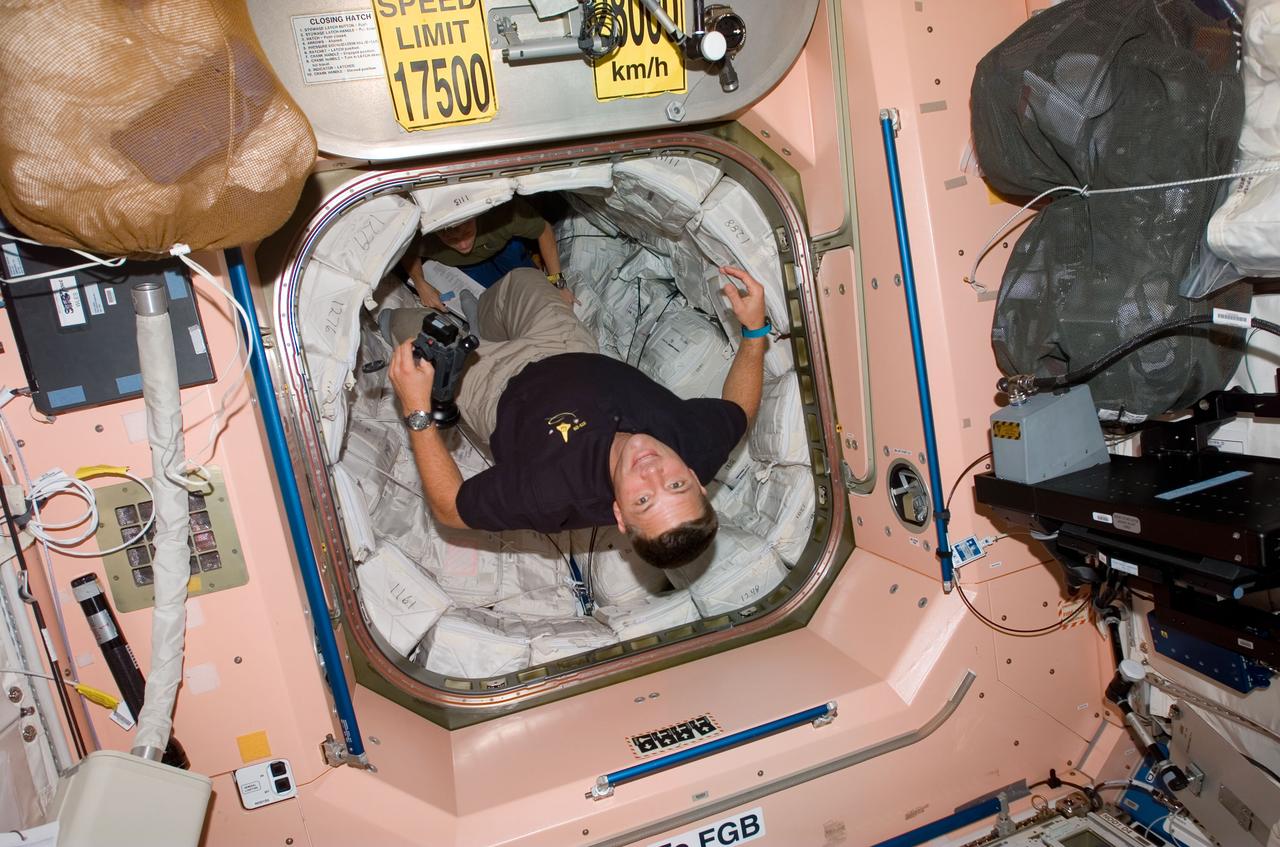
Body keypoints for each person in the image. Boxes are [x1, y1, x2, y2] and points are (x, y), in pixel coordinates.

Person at [384, 265, 770, 569]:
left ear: (619, 513)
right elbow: (740, 412)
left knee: (406, 331)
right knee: (520, 280)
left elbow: (451, 509)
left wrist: (417, 411)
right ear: (698, 483)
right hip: (566, 346)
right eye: (676, 486)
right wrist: (754, 332)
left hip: (491, 388)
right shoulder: (698, 445)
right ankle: (481, 321)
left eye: (644, 499)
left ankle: (418, 327)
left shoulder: (550, 494)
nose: (654, 472)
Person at [400, 196, 566, 311]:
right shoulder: (421, 233)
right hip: (468, 266)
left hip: (504, 247)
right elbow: (408, 251)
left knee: (534, 285)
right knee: (499, 301)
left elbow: (543, 229)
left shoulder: (503, 214)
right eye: (453, 239)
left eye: (467, 232)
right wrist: (420, 284)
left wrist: (557, 282)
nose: (464, 245)